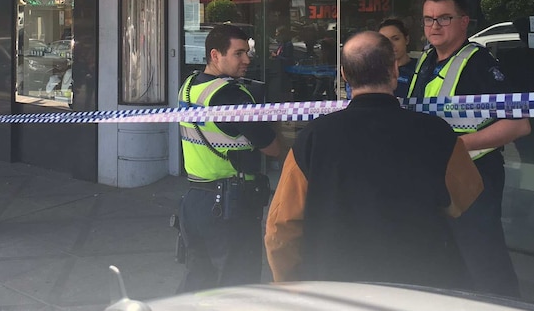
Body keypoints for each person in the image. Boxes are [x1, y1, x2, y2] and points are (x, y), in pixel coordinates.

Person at [265, 31, 482, 288]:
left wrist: (293, 285)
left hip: (335, 288)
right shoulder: (438, 133)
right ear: (393, 69)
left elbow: (281, 230)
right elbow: (466, 196)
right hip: (421, 286)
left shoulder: (311, 139)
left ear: (344, 74)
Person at [408, 0, 530, 297]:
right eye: (428, 19)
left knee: (483, 258)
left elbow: (519, 124)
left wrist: (459, 145)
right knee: (446, 258)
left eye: (444, 18)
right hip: (433, 175)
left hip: (475, 175)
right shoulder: (426, 59)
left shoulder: (479, 64)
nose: (435, 26)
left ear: (464, 22)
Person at [176, 23, 285, 294]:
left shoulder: (190, 86)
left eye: (247, 53)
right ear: (216, 55)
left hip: (195, 200)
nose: (247, 60)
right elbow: (272, 147)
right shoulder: (231, 95)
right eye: (238, 54)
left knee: (199, 282)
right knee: (237, 287)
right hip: (229, 205)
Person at [378, 17, 417, 98]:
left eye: (395, 39)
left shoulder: (421, 68)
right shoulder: (374, 71)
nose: (390, 44)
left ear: (406, 39)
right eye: (384, 41)